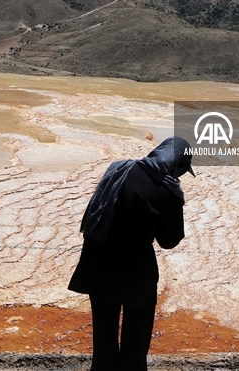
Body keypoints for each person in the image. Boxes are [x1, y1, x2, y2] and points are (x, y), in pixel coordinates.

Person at [68, 136, 195, 371]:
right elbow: (168, 241)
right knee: (135, 347)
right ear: (177, 164)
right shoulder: (167, 190)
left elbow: (94, 211)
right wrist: (175, 203)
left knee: (103, 345)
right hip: (136, 273)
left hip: (98, 264)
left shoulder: (119, 168)